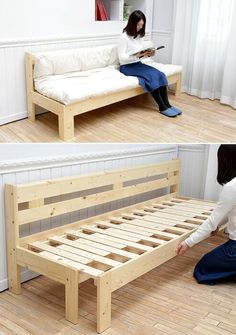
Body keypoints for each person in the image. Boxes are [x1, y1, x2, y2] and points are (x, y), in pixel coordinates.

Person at [176, 144, 236, 285]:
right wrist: (218, 224)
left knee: (203, 268)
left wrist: (188, 242)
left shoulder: (232, 187)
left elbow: (211, 222)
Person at [118, 10, 182, 118]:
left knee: (160, 74)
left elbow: (140, 52)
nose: (140, 27)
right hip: (127, 67)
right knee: (151, 77)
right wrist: (135, 56)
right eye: (138, 25)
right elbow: (121, 58)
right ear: (132, 23)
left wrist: (148, 54)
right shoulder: (124, 37)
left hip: (138, 64)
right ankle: (162, 107)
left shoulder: (139, 36)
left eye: (142, 25)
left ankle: (168, 105)